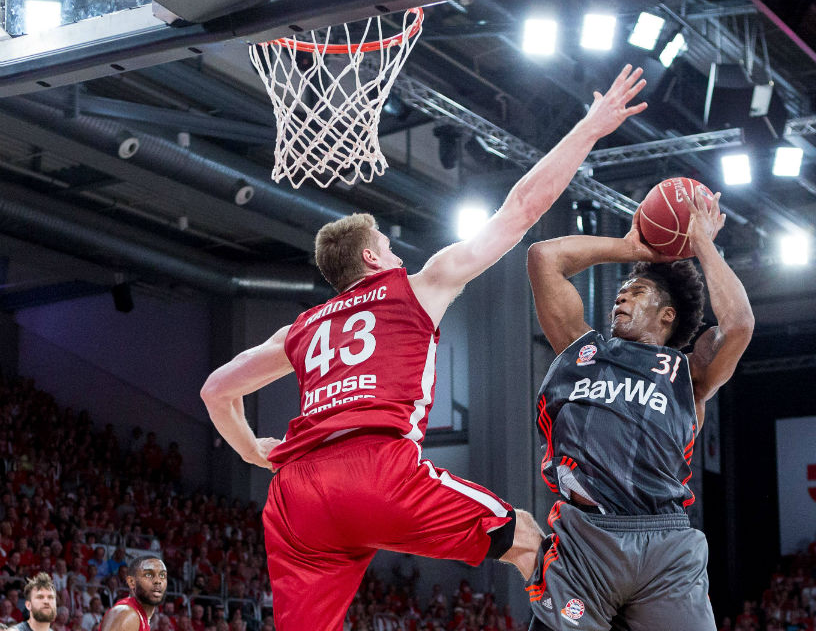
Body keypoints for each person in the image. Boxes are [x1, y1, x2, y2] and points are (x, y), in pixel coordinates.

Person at [199, 65, 651, 631]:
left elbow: (216, 389)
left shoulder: (299, 328)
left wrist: (250, 451)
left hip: (296, 496)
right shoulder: (418, 285)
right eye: (387, 247)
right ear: (371, 260)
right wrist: (589, 127)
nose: (396, 255)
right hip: (376, 469)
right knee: (527, 539)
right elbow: (520, 210)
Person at [524, 187, 753, 630]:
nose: (620, 297)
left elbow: (740, 324)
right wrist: (628, 249)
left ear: (668, 316)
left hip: (665, 545)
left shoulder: (690, 374)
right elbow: (542, 257)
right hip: (587, 537)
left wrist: (702, 241)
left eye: (637, 290)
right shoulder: (581, 349)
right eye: (621, 291)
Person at [99, 556, 167, 631]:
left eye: (162, 575)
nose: (158, 581)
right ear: (132, 582)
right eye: (148, 575)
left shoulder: (140, 616)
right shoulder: (126, 613)